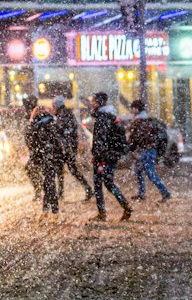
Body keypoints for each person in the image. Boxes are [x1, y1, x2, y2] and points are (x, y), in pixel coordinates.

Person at [87, 92, 132, 224]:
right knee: (106, 183)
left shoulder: (103, 118)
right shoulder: (108, 116)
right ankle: (123, 207)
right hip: (108, 155)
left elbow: (101, 141)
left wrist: (98, 156)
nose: (91, 103)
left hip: (104, 157)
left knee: (102, 183)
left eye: (94, 101)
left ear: (100, 103)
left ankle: (107, 212)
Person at [128, 100, 172, 202]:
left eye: (132, 108)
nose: (130, 110)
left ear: (136, 109)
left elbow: (137, 138)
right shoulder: (146, 120)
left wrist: (131, 147)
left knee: (151, 173)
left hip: (146, 151)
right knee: (139, 171)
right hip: (148, 150)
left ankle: (165, 193)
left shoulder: (140, 121)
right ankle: (141, 194)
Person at [53, 95, 93, 201]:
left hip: (65, 147)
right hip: (69, 146)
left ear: (56, 105)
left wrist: (57, 134)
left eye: (53, 105)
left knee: (62, 169)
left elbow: (61, 130)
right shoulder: (67, 113)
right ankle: (86, 188)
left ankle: (61, 194)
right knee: (70, 168)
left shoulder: (62, 115)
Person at [28, 101, 65, 215]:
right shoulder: (52, 122)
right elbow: (58, 140)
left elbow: (32, 143)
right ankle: (47, 210)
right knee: (49, 183)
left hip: (45, 157)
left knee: (48, 183)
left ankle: (53, 211)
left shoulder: (36, 126)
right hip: (53, 156)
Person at [21, 94, 43, 201]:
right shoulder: (32, 113)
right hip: (36, 149)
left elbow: (34, 129)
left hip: (38, 149)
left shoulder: (36, 113)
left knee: (31, 169)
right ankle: (40, 190)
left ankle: (40, 191)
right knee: (32, 169)